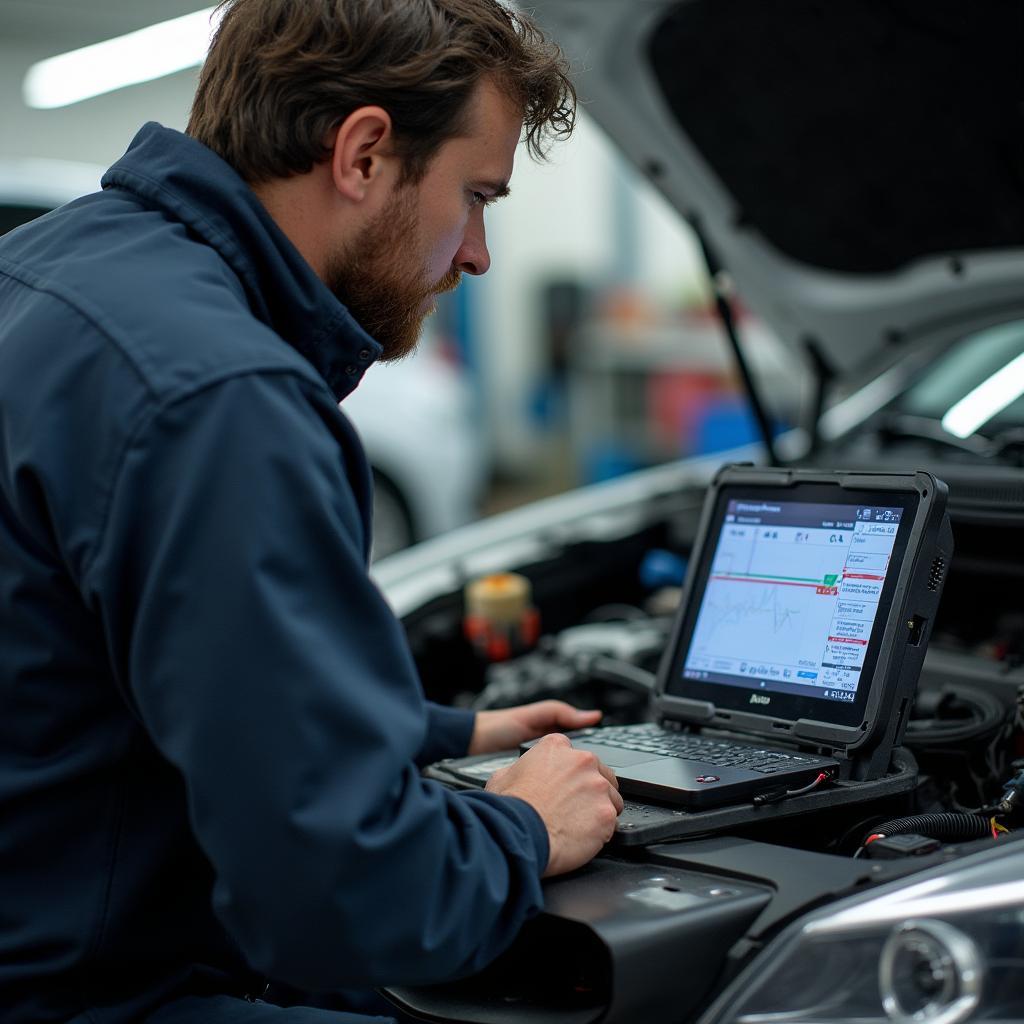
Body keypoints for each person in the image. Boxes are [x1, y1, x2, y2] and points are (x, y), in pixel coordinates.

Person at [0, 1, 624, 1021]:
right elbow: (348, 898)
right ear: (366, 153)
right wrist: (521, 825)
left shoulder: (51, 269)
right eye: (474, 197)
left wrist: (438, 730)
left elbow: (103, 668)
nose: (477, 255)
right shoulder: (221, 398)